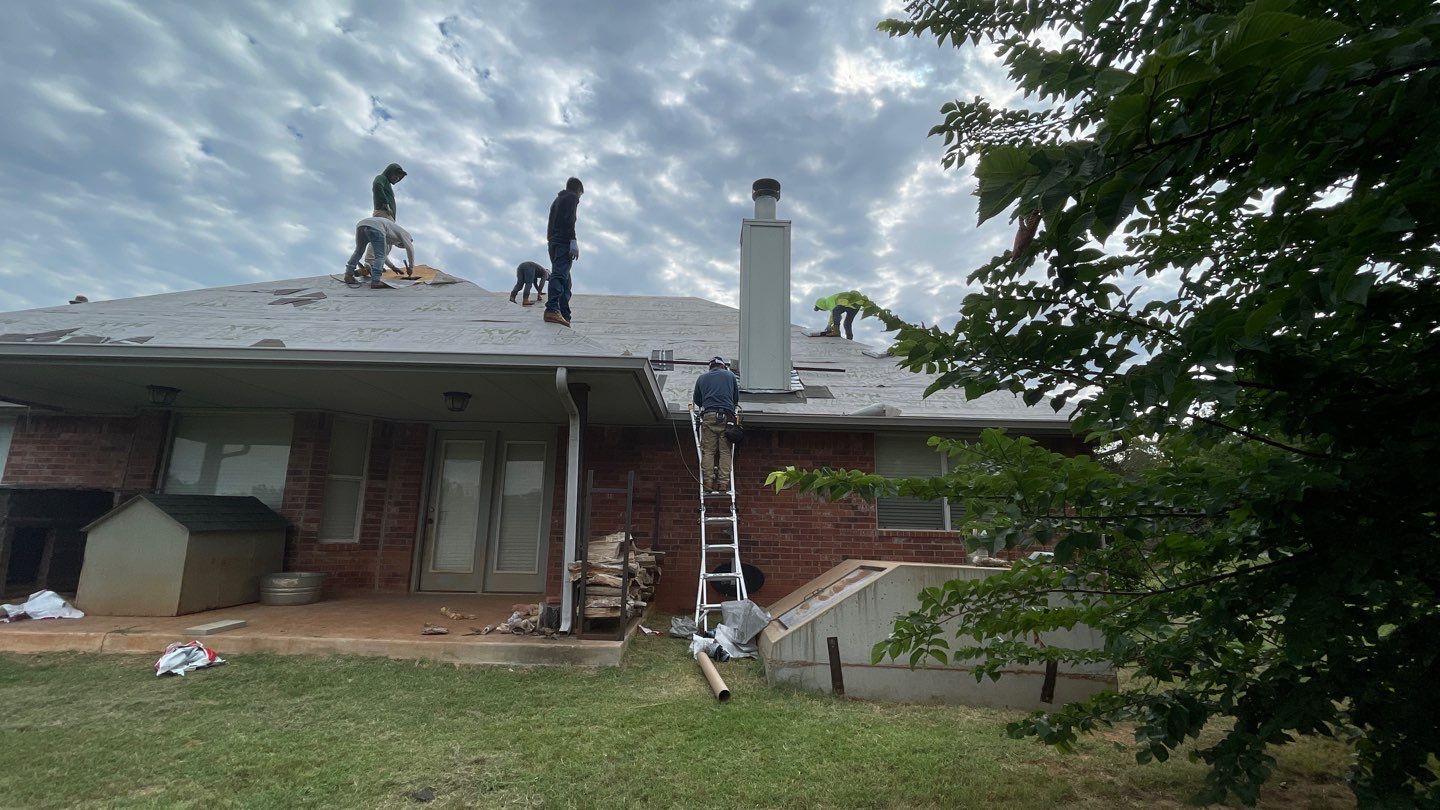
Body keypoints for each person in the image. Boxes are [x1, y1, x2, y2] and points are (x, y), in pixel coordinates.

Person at [692, 356, 741, 493]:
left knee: (708, 451)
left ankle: (708, 482)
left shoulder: (702, 378)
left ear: (710, 367)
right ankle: (723, 483)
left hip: (709, 415)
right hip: (726, 417)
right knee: (725, 451)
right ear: (723, 366)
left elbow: (697, 400)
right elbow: (735, 398)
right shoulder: (730, 376)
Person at [543, 177, 583, 327]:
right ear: (577, 190)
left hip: (553, 242)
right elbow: (569, 220)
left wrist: (552, 241)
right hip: (562, 242)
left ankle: (565, 315)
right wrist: (572, 240)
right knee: (560, 275)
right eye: (580, 194)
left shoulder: (557, 200)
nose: (579, 198)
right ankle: (552, 309)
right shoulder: (571, 197)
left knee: (566, 281)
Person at [344, 214, 415, 289]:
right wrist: (411, 267)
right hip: (376, 227)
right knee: (379, 256)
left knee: (358, 251)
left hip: (362, 225)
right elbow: (410, 249)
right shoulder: (407, 235)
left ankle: (348, 275)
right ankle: (376, 281)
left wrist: (393, 267)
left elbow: (384, 255)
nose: (399, 246)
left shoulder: (391, 236)